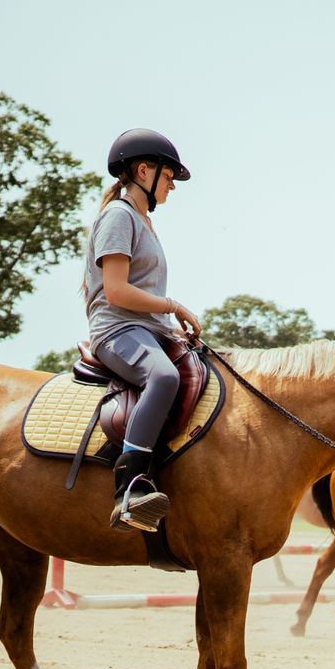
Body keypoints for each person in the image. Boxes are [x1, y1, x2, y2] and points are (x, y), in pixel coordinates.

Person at [84, 128, 199, 531]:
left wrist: (171, 327)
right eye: (169, 176)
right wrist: (173, 306)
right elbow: (116, 291)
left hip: (149, 330)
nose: (172, 185)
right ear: (143, 170)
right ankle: (129, 486)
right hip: (116, 330)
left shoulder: (144, 222)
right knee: (163, 376)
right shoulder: (118, 216)